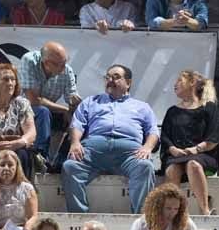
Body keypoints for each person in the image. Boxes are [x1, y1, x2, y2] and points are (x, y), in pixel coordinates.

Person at [61, 65, 156, 216]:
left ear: (128, 83)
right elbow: (77, 124)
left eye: (116, 77)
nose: (110, 80)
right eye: (108, 77)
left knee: (145, 167)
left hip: (129, 154)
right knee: (70, 166)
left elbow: (152, 131)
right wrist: (75, 142)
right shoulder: (91, 102)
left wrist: (147, 147)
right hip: (94, 151)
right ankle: (79, 217)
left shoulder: (142, 107)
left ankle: (141, 220)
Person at [160, 71, 219, 216]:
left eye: (179, 80)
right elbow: (165, 136)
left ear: (192, 82)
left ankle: (205, 210)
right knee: (172, 170)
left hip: (203, 155)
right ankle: (173, 214)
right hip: (176, 156)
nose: (175, 84)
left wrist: (196, 149)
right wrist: (173, 149)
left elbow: (215, 136)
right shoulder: (172, 111)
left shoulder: (209, 108)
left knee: (193, 164)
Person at [18, 43, 79, 171]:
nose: (64, 68)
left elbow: (72, 99)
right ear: (46, 63)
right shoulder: (29, 61)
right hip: (22, 110)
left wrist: (74, 104)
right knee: (43, 112)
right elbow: (33, 100)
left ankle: (60, 161)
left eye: (65, 62)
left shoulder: (67, 70)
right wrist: (65, 110)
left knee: (77, 119)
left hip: (48, 110)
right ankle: (40, 157)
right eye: (60, 64)